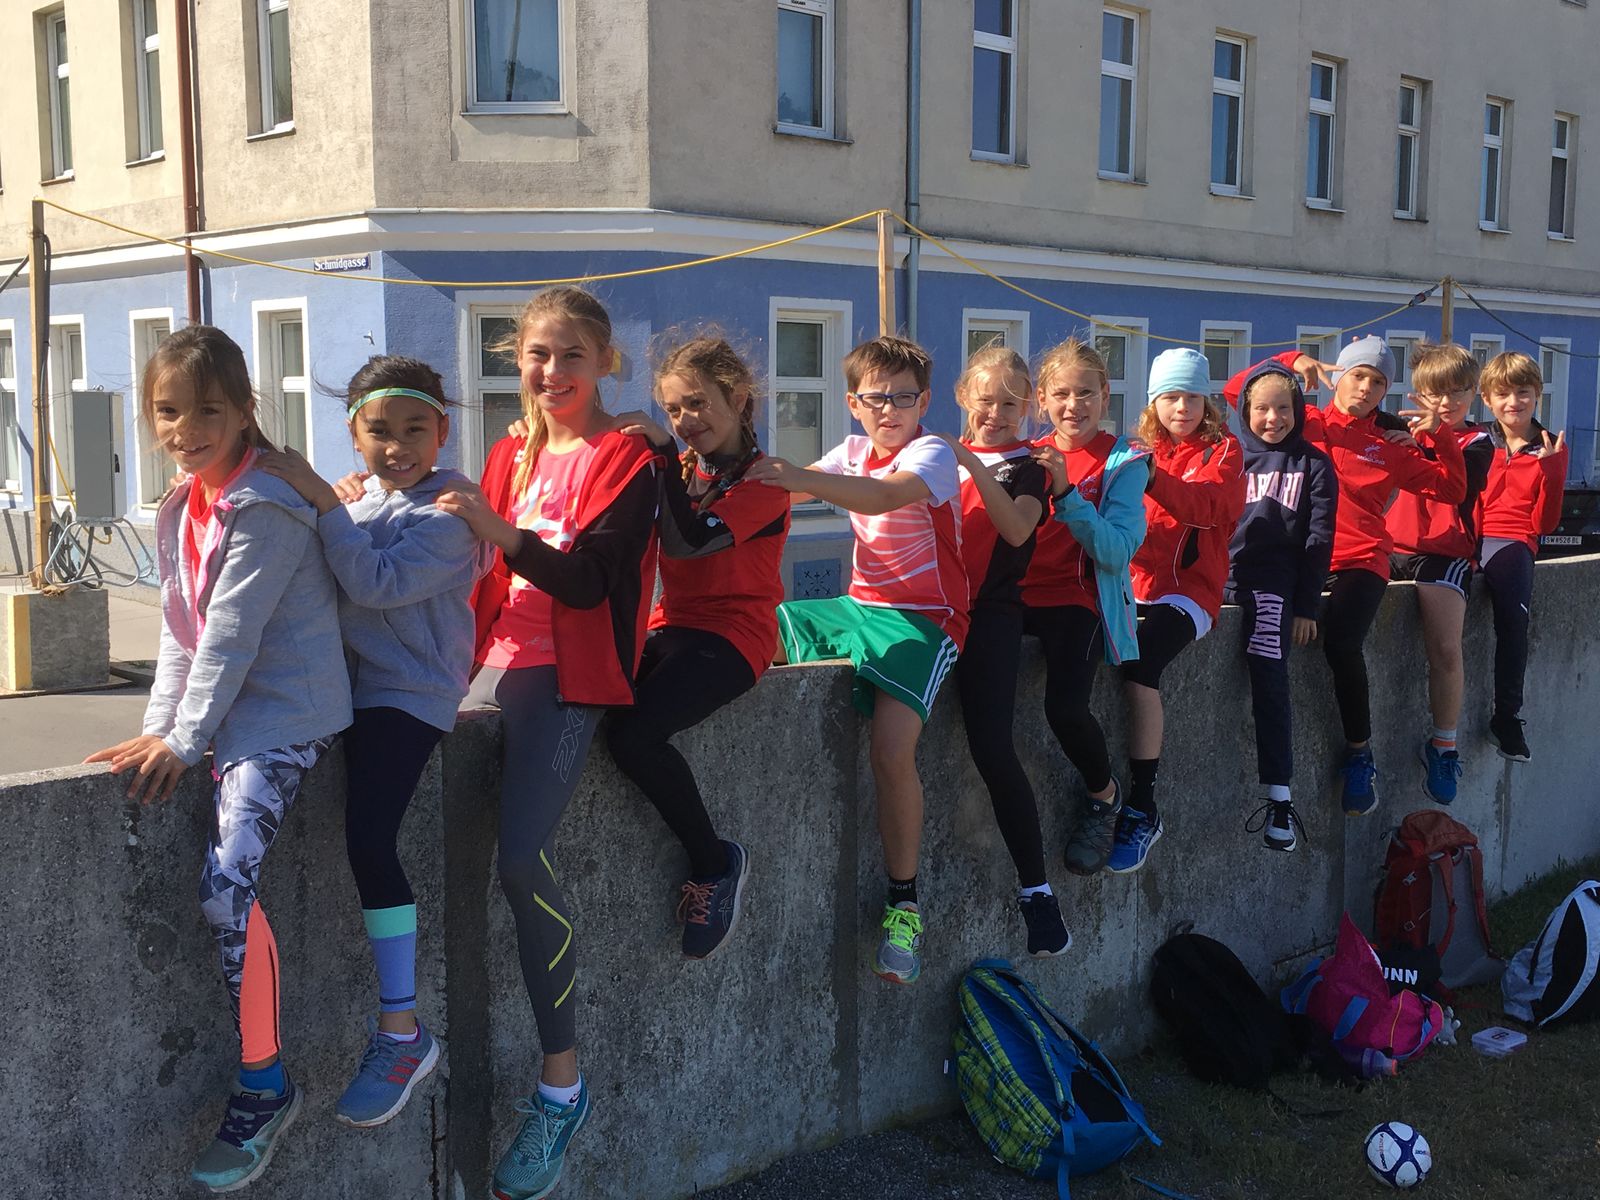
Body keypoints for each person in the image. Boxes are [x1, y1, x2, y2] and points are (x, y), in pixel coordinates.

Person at [86, 325, 352, 1192]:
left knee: (225, 885)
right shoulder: (184, 503)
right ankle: (263, 1083)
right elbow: (179, 633)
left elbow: (230, 638)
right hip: (225, 720)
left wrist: (185, 740)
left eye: (207, 410)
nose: (185, 428)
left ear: (245, 411)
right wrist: (159, 730)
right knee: (220, 885)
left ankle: (264, 1086)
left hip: (282, 719)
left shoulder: (264, 504)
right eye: (168, 412)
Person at [437, 286, 660, 1200]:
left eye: (572, 354)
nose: (552, 370)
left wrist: (501, 530)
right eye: (537, 353)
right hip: (487, 660)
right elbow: (460, 557)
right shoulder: (509, 453)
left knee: (521, 858)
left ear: (605, 362)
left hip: (567, 673)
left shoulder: (628, 457)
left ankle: (560, 1089)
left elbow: (588, 584)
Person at [257, 356, 485, 1128]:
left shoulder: (453, 510)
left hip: (411, 693)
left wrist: (328, 504)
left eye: (415, 429)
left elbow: (374, 584)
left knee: (369, 838)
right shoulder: (363, 499)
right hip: (350, 691)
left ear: (442, 431)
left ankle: (402, 1031)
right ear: (354, 436)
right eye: (379, 431)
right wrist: (334, 505)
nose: (397, 446)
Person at [746, 335, 968, 986]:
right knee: (748, 634)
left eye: (904, 397)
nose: (890, 409)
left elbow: (879, 497)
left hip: (927, 619)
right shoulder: (847, 452)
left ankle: (905, 905)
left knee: (890, 751)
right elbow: (777, 498)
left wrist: (796, 476)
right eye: (876, 398)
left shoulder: (932, 453)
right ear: (853, 403)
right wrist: (711, 482)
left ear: (924, 402)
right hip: (858, 608)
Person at [603, 332, 790, 959]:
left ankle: (714, 863)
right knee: (583, 693)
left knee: (634, 735)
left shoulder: (766, 481)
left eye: (698, 403)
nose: (685, 420)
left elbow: (686, 544)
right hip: (670, 625)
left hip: (735, 636)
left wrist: (659, 454)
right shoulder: (684, 469)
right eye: (674, 409)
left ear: (738, 398)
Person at [1301, 336, 1465, 815]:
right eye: (1358, 375)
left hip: (1362, 559)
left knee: (1342, 643)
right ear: (1339, 376)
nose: (1366, 388)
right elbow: (1239, 395)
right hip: (1304, 557)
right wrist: (1295, 360)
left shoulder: (1389, 445)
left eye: (1377, 382)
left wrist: (1439, 436)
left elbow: (1452, 489)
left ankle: (1360, 754)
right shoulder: (1307, 423)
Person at [941, 344, 1066, 955]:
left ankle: (1036, 891)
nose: (995, 413)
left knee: (992, 748)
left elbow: (1017, 529)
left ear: (1029, 409)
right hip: (929, 608)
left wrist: (969, 459)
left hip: (991, 615)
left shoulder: (1030, 467)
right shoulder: (932, 456)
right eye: (985, 400)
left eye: (1010, 404)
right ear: (964, 396)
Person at [1109, 348, 1245, 872]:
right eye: (1169, 397)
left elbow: (1209, 507)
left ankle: (1143, 806)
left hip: (1191, 592)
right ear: (1153, 403)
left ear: (1207, 401)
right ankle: (1102, 796)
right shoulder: (1143, 450)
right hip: (1134, 586)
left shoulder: (1224, 450)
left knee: (1142, 666)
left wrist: (1153, 480)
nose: (1181, 407)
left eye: (1191, 396)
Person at [1022, 338, 1152, 877]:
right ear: (1041, 399)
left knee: (1065, 708)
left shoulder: (1125, 460)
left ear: (1105, 396)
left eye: (1085, 394)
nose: (1073, 405)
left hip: (1078, 600)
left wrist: (1066, 492)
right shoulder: (1025, 451)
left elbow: (1117, 550)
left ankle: (1104, 796)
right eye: (1061, 394)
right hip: (1014, 597)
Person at [1224, 363, 1338, 851]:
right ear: (1245, 410)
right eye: (1262, 408)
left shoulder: (1313, 464)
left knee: (1269, 675)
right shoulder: (1229, 457)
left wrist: (1306, 606)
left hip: (1273, 587)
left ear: (1299, 411)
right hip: (1220, 582)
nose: (1273, 418)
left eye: (1284, 408)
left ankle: (1279, 797)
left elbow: (1319, 539)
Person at [1384, 344, 1494, 803]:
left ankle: (1444, 745)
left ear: (1474, 394)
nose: (1446, 402)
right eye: (1436, 393)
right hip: (1392, 546)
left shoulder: (1479, 441)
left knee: (1446, 648)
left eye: (1458, 392)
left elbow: (1459, 489)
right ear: (1418, 393)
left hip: (1445, 550)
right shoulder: (1400, 429)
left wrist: (1436, 438)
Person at [1475, 351, 1568, 763]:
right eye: (1503, 394)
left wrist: (1551, 470)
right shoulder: (1478, 441)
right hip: (1470, 536)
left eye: (1523, 393)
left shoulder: (1550, 447)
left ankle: (1507, 716)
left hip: (1514, 540)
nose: (1513, 402)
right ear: (1487, 399)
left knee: (1513, 619)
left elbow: (1545, 523)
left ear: (1537, 395)